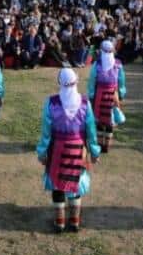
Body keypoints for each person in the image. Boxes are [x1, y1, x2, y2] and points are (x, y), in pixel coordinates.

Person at [36, 68, 101, 233]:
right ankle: (74, 221)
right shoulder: (85, 104)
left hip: (57, 149)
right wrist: (94, 152)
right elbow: (91, 131)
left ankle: (59, 222)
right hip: (78, 150)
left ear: (59, 82)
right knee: (75, 182)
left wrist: (42, 152)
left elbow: (46, 132)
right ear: (76, 81)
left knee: (57, 183)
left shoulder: (51, 103)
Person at [86, 40, 127, 152]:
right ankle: (107, 145)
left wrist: (91, 95)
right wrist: (121, 94)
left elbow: (92, 81)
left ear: (102, 50)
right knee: (110, 119)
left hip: (99, 95)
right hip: (113, 95)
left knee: (99, 119)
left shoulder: (97, 64)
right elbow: (121, 81)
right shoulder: (118, 64)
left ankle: (100, 144)